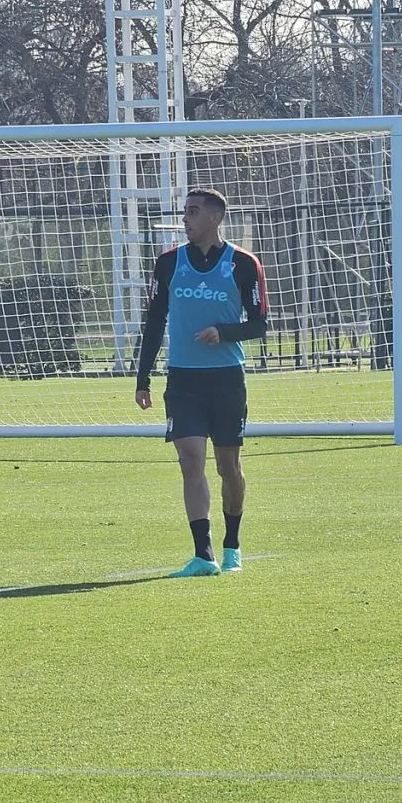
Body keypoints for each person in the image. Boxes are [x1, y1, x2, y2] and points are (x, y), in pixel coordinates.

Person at [135, 187, 268, 577]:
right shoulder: (168, 263)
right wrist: (143, 378)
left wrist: (223, 333)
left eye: (193, 212)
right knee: (190, 461)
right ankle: (203, 554)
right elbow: (154, 321)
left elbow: (260, 324)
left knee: (229, 466)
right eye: (185, 212)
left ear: (214, 217)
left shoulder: (244, 264)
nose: (186, 219)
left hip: (227, 381)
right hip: (183, 381)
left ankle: (232, 546)